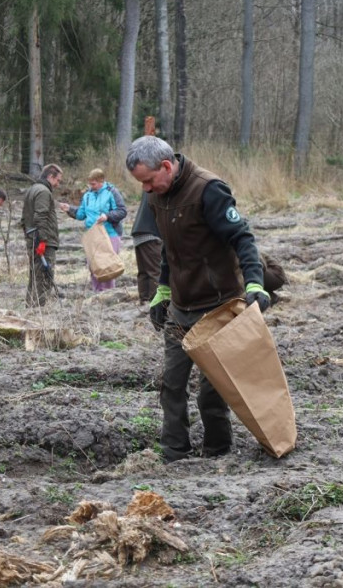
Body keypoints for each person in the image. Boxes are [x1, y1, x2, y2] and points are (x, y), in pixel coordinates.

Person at [125, 136, 268, 463]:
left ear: (165, 166)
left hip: (217, 306)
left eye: (148, 180)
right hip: (180, 306)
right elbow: (170, 250)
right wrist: (162, 290)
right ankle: (175, 452)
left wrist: (256, 285)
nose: (145, 189)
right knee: (171, 384)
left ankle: (218, 452)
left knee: (211, 391)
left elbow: (242, 238)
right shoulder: (156, 195)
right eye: (140, 183)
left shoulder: (208, 190)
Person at [60, 168, 127, 292]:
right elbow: (81, 214)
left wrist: (107, 216)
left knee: (107, 266)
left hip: (109, 234)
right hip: (92, 235)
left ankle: (108, 294)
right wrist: (69, 209)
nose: (91, 186)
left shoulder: (112, 192)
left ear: (101, 181)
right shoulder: (87, 196)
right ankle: (97, 294)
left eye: (94, 184)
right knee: (94, 267)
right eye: (90, 183)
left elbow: (122, 211)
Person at [22, 164, 64, 306]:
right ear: (50, 177)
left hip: (34, 239)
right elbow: (40, 217)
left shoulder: (31, 190)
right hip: (43, 242)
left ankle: (31, 307)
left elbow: (24, 220)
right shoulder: (43, 192)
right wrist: (42, 241)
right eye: (58, 180)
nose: (58, 184)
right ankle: (39, 310)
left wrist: (31, 239)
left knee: (35, 276)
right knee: (44, 277)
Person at [131, 191, 162, 304]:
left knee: (144, 271)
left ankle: (144, 299)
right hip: (151, 233)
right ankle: (155, 303)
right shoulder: (159, 187)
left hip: (138, 232)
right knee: (155, 271)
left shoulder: (149, 187)